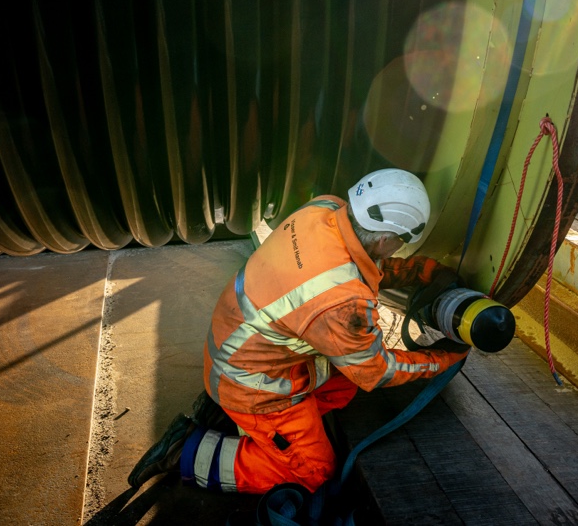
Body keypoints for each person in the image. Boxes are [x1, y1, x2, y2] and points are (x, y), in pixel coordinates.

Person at [128, 168, 468, 494]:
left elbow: (355, 266)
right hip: (253, 388)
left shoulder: (325, 208)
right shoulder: (343, 301)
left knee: (342, 386)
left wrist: (422, 272)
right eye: (402, 243)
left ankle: (238, 420)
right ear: (385, 239)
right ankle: (185, 450)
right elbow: (374, 372)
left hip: (235, 347)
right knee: (315, 473)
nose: (398, 249)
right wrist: (440, 359)